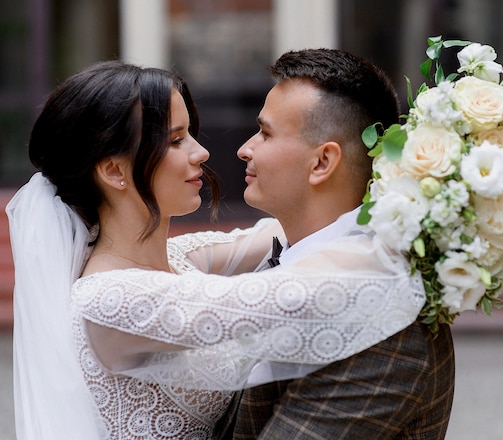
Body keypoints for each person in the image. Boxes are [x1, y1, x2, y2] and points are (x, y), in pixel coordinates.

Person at [7, 61, 425, 439]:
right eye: (174, 140)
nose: (201, 152)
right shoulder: (108, 300)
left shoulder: (184, 259)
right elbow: (293, 293)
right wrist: (430, 227)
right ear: (114, 170)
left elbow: (298, 227)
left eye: (190, 133)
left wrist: (415, 185)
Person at [230, 49, 456, 439]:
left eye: (265, 133)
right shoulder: (286, 254)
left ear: (322, 162)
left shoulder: (379, 323)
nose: (245, 149)